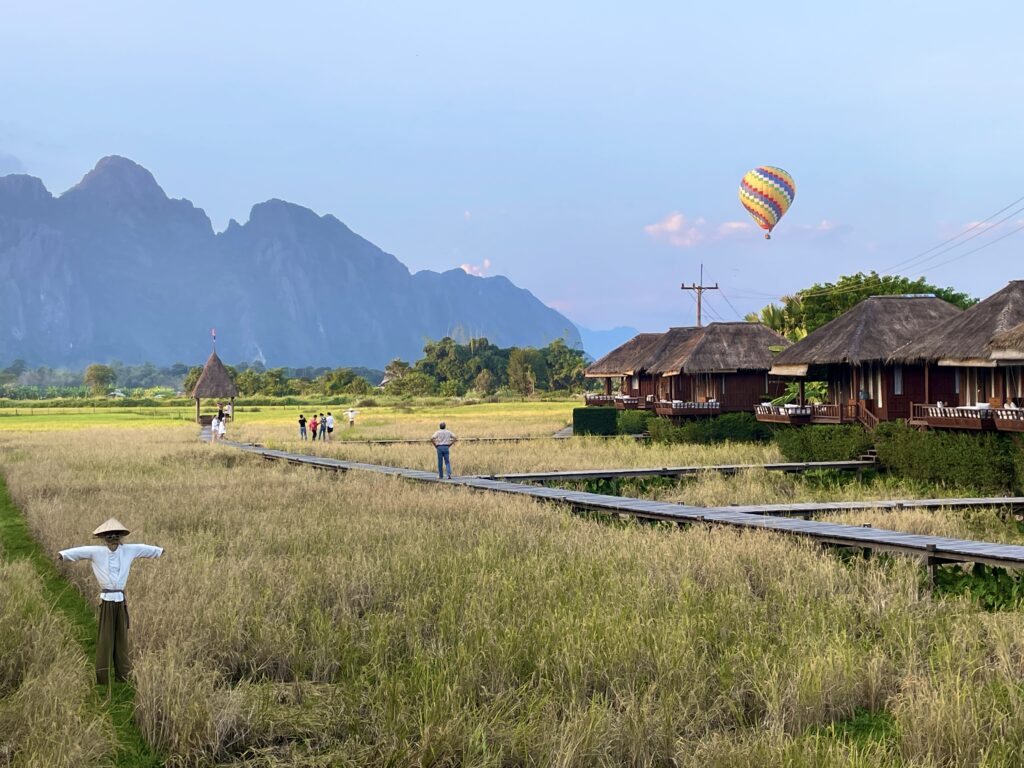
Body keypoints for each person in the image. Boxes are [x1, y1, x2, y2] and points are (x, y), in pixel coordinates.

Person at [56, 518, 164, 686]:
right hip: (107, 601)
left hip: (120, 600)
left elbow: (144, 548)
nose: (113, 538)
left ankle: (123, 675)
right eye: (109, 536)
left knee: (121, 638)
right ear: (103, 537)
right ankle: (102, 677)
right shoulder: (96, 552)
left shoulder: (128, 550)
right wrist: (63, 555)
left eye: (116, 535)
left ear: (120, 536)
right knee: (106, 639)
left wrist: (159, 551)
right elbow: (80, 551)